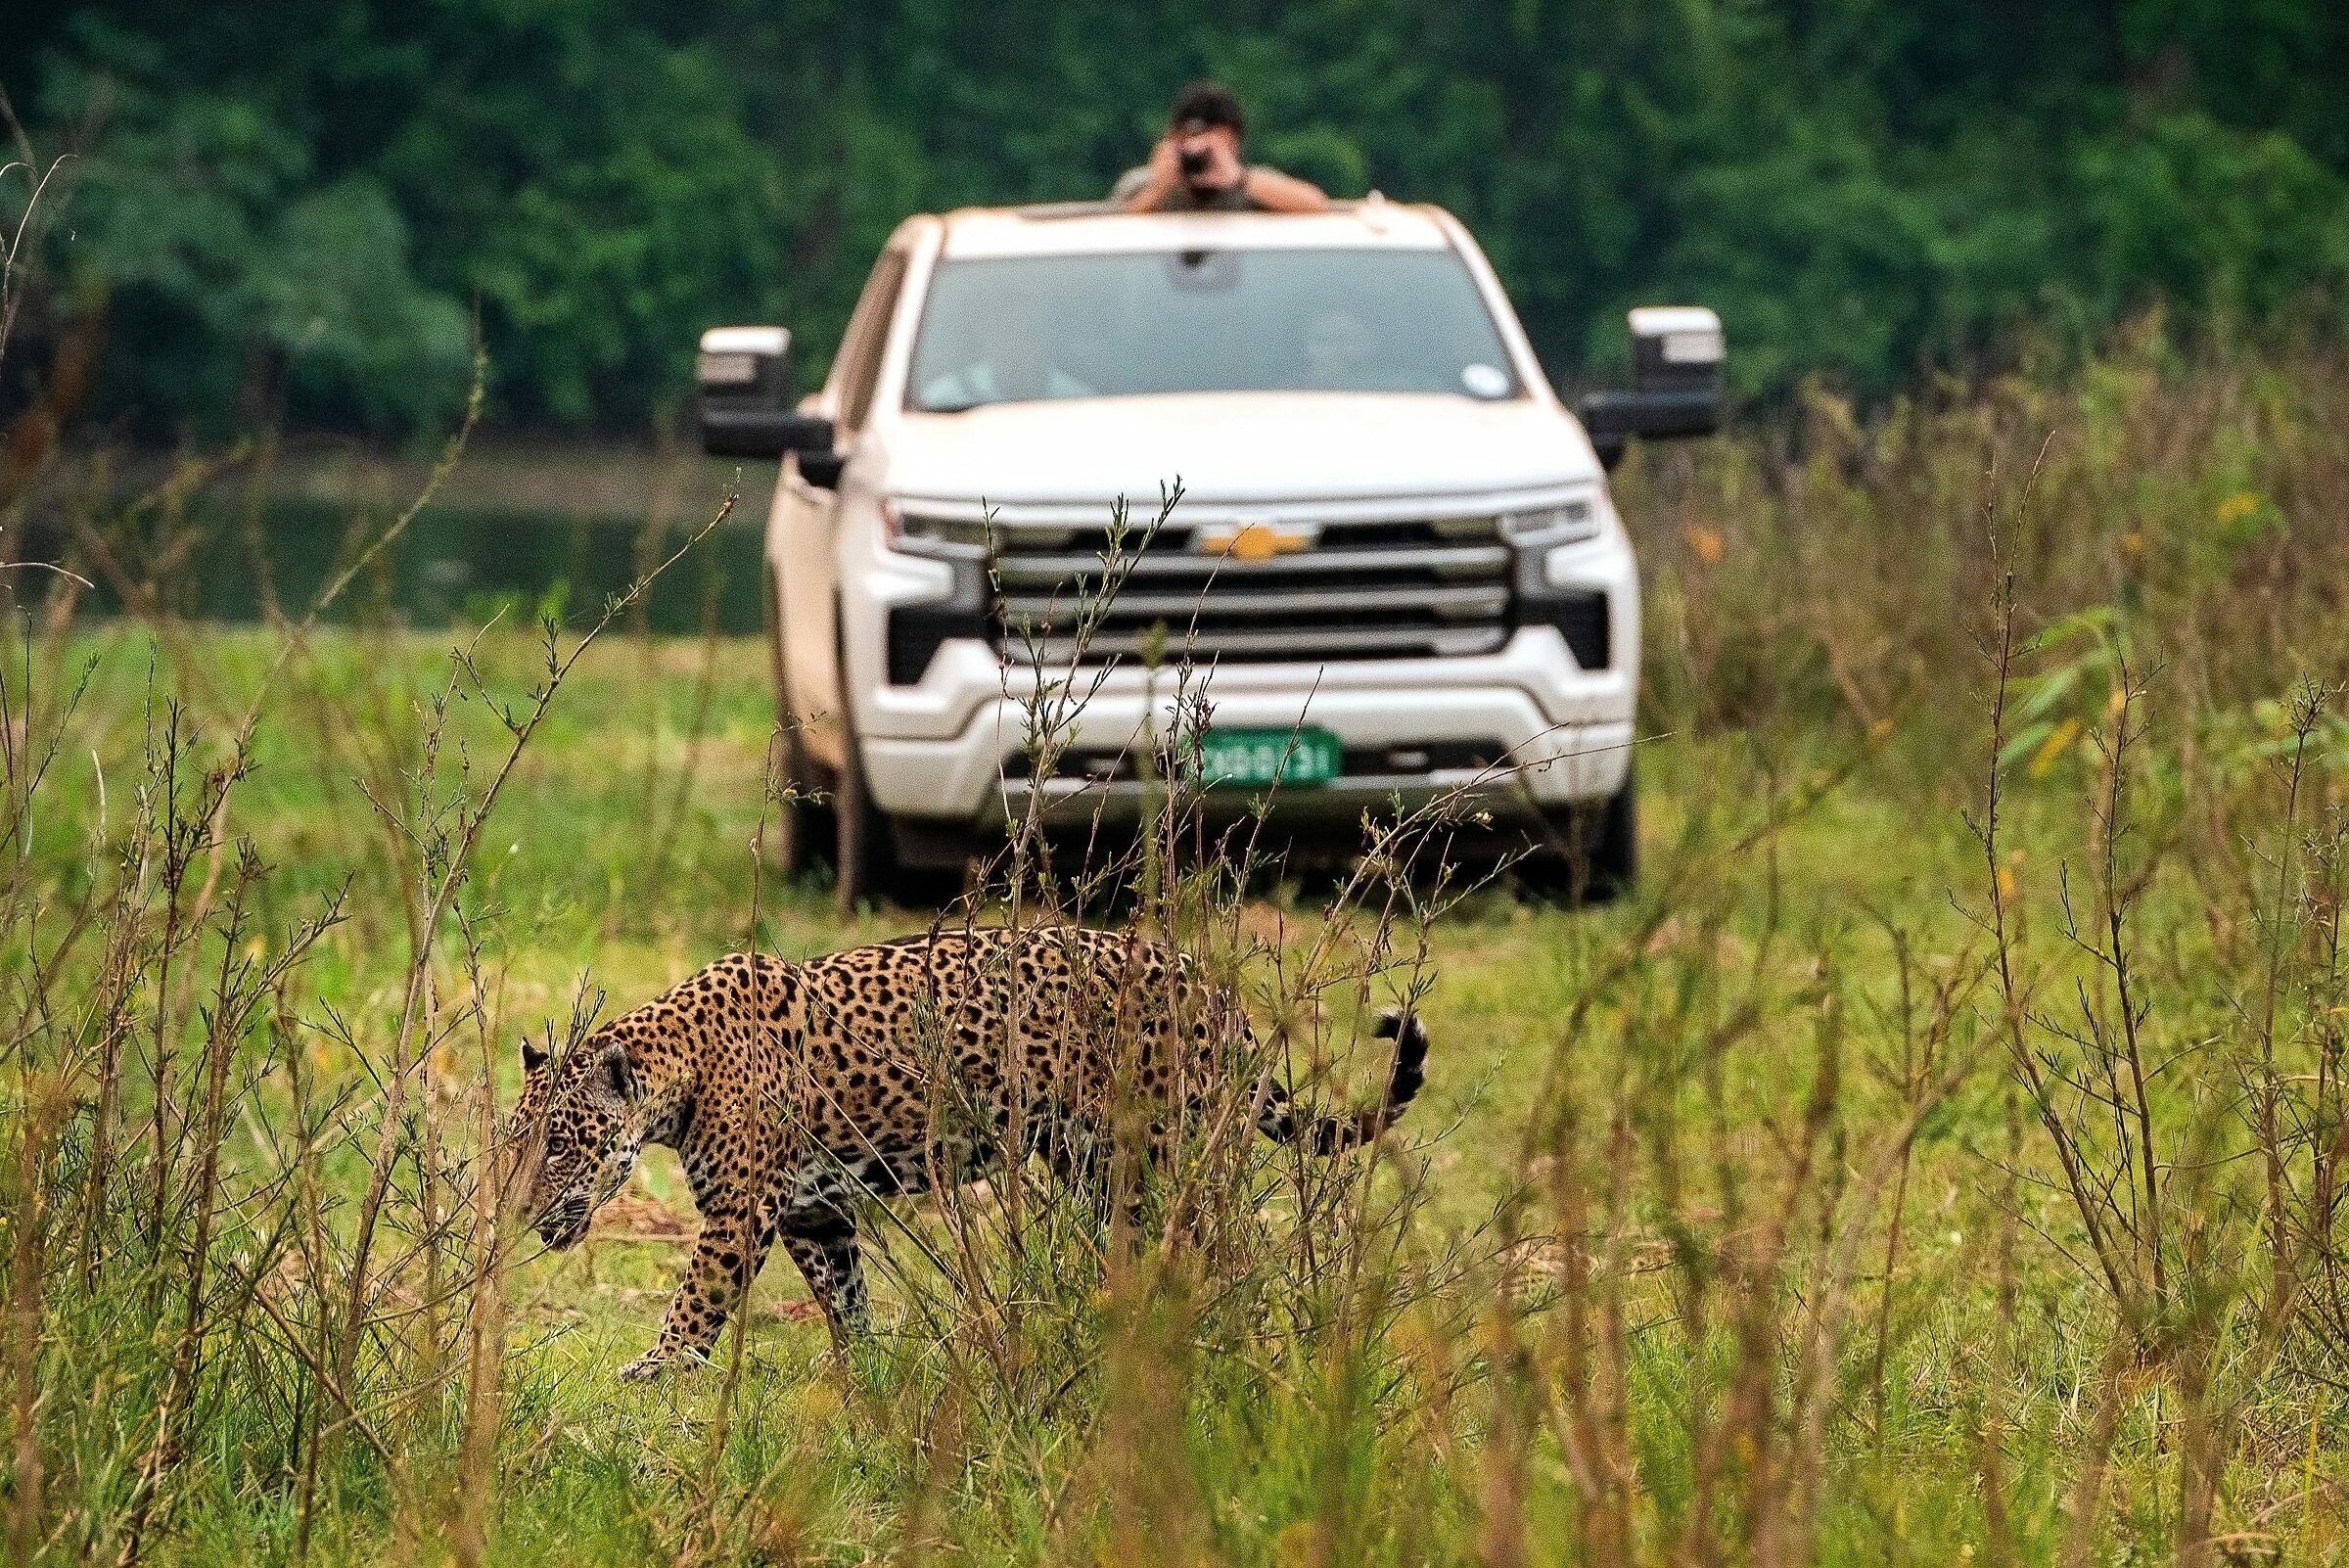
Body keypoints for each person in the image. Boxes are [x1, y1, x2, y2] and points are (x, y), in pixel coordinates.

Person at [1110, 81, 1331, 214]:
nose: (1201, 153)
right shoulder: (1141, 186)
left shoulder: (1255, 188)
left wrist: (1239, 179)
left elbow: (1316, 205)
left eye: (1215, 145)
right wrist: (1157, 191)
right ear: (1171, 140)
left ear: (1235, 145)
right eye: (1190, 140)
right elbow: (1110, 237)